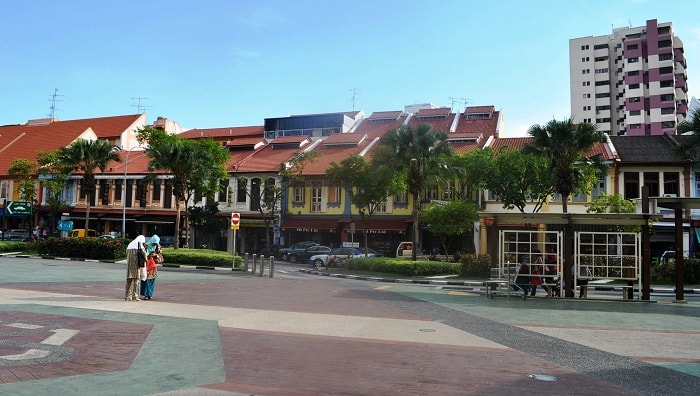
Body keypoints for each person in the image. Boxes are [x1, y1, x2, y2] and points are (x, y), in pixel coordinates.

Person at [125, 235, 147, 301]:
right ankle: (135, 297)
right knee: (136, 281)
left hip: (129, 267)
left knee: (129, 281)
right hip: (136, 266)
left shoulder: (130, 244)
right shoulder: (139, 244)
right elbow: (145, 255)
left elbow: (126, 254)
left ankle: (128, 297)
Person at [141, 235, 161, 300]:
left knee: (152, 280)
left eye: (156, 242)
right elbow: (143, 255)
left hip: (153, 267)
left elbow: (160, 257)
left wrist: (157, 250)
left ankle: (150, 294)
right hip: (146, 266)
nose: (154, 244)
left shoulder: (157, 247)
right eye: (154, 242)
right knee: (146, 280)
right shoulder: (146, 246)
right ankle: (146, 294)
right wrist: (150, 255)